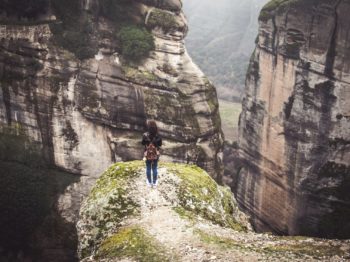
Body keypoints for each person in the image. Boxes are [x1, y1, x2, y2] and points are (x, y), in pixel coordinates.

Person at [142, 120, 162, 187]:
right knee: (154, 168)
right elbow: (160, 144)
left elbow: (142, 143)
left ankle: (149, 182)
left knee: (148, 168)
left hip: (147, 154)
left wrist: (147, 141)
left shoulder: (145, 135)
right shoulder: (158, 135)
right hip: (155, 154)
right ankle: (154, 182)